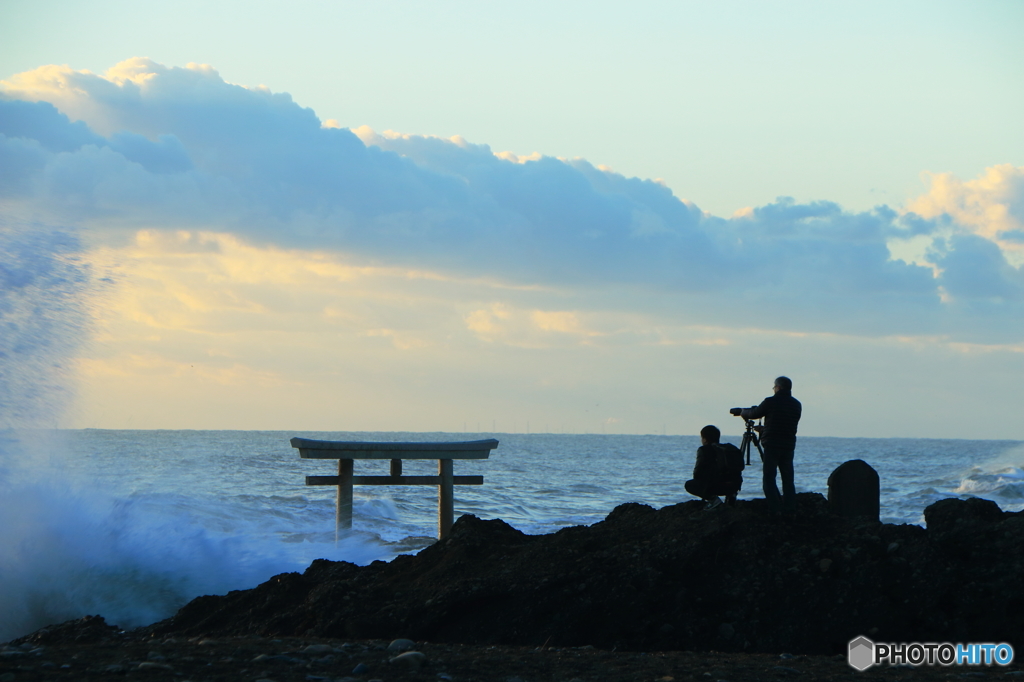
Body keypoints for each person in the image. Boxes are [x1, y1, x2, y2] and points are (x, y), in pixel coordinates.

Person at [738, 376, 802, 515]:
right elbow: (785, 424)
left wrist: (743, 412)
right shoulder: (797, 404)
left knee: (769, 477)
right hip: (788, 446)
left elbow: (754, 414)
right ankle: (790, 508)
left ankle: (775, 509)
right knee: (788, 479)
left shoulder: (770, 401)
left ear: (778, 387)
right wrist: (765, 429)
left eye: (774, 387)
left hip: (772, 445)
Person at [685, 425, 742, 509]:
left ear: (704, 439)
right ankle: (731, 496)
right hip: (734, 485)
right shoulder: (730, 448)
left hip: (716, 487)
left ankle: (713, 500)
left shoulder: (704, 450)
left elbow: (697, 473)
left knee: (689, 485)